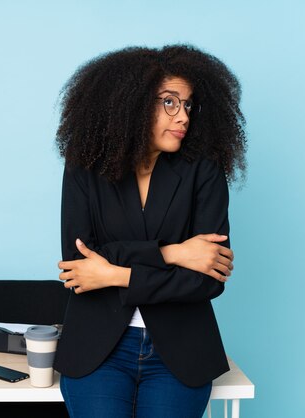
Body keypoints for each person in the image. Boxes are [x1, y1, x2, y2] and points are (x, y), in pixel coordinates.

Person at [54, 45, 247, 418]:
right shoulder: (84, 165)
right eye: (169, 102)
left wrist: (115, 274)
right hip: (99, 349)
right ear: (132, 104)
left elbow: (208, 280)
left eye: (188, 105)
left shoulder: (203, 170)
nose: (183, 117)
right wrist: (172, 253)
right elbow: (79, 267)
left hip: (179, 353)